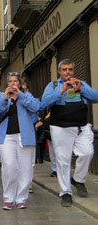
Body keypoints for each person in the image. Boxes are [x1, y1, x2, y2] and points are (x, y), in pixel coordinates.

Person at [42, 59, 98, 207]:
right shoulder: (53, 85)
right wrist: (61, 91)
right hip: (61, 128)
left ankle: (78, 180)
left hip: (81, 127)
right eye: (65, 69)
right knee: (63, 160)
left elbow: (95, 97)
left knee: (87, 153)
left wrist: (82, 88)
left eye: (70, 70)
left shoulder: (81, 83)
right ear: (59, 71)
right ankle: (66, 192)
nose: (68, 72)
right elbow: (45, 103)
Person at [0, 72, 39, 210]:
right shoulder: (2, 96)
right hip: (6, 136)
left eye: (15, 81)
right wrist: (5, 99)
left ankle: (21, 199)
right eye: (10, 81)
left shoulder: (26, 96)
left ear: (20, 84)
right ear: (7, 84)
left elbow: (35, 107)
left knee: (25, 168)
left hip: (25, 136)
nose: (13, 84)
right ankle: (8, 198)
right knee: (9, 166)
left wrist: (21, 95)